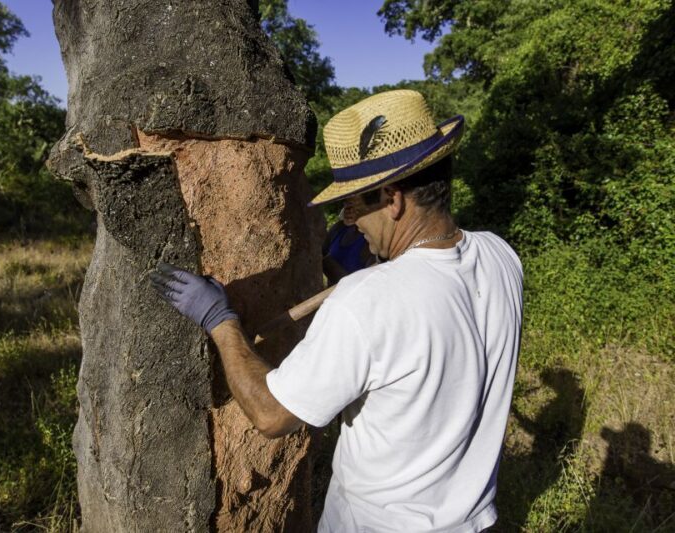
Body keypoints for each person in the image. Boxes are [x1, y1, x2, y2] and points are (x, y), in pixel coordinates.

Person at [151, 90, 523, 532]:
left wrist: (220, 321)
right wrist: (378, 267)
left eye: (354, 205)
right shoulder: (502, 257)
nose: (349, 221)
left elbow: (272, 415)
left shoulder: (366, 300)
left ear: (394, 198)